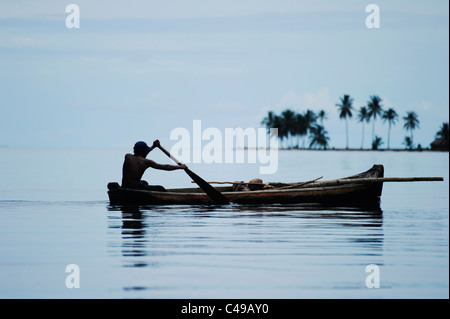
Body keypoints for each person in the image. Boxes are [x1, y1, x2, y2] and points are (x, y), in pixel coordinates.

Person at [121, 140, 187, 191]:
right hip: (134, 188)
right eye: (146, 151)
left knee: (144, 183)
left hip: (124, 186)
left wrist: (153, 146)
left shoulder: (127, 156)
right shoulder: (146, 162)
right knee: (161, 189)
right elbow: (165, 167)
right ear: (143, 151)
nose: (147, 152)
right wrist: (180, 167)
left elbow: (141, 155)